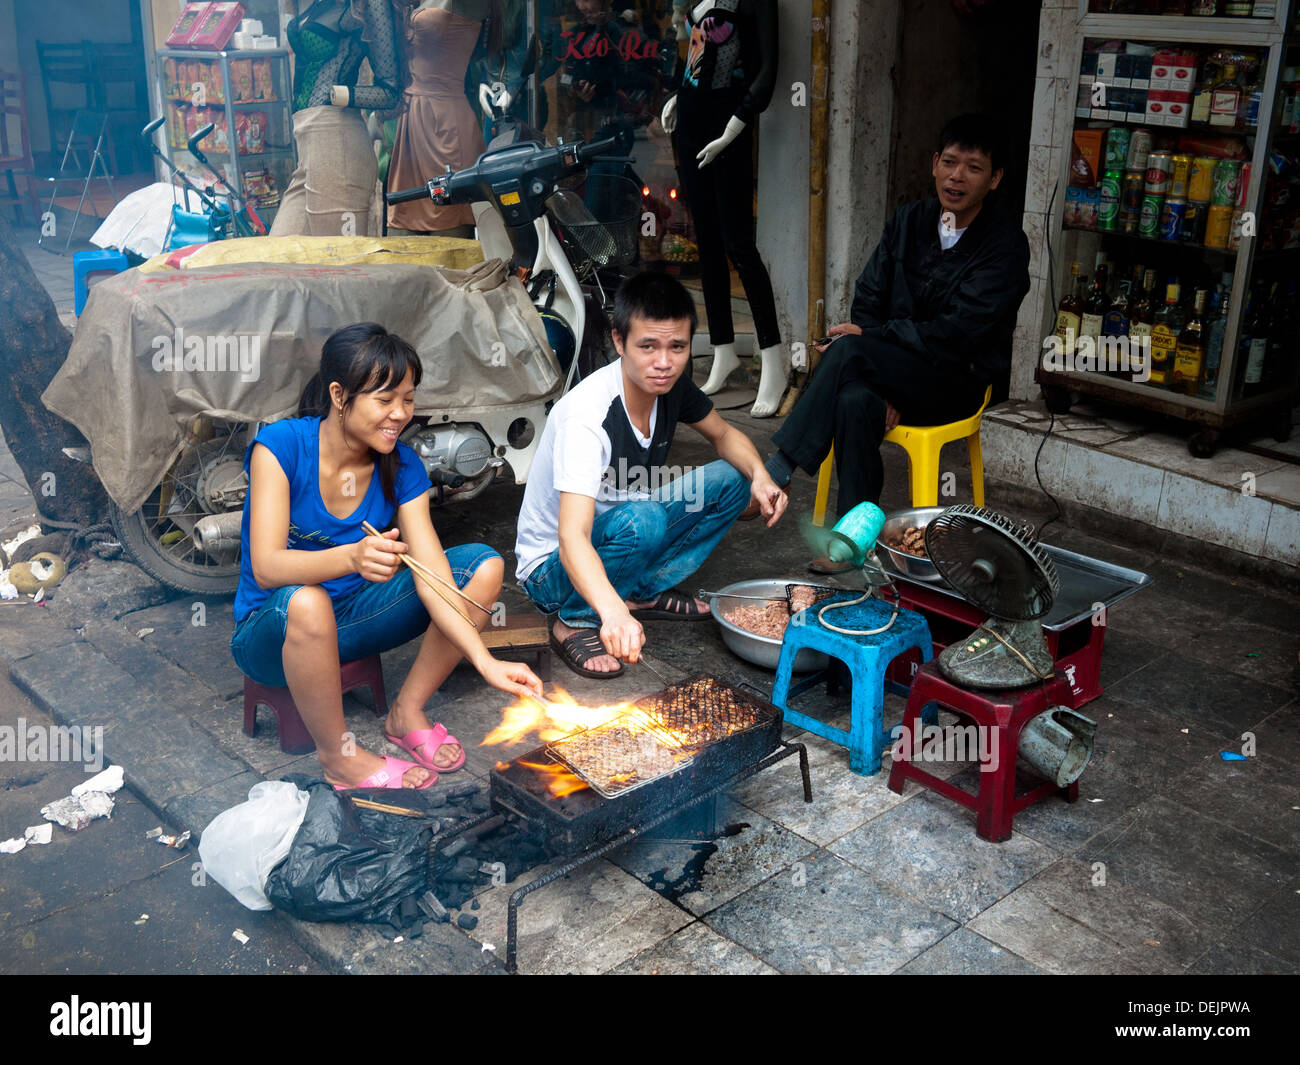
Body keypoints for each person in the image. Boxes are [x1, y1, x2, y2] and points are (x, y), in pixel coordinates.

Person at [231, 323, 542, 791]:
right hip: (271, 632)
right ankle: (340, 758)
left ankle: (407, 712)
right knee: (307, 602)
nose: (400, 414)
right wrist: (352, 558)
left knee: (482, 567)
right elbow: (268, 567)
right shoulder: (281, 448)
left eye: (409, 399)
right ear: (340, 395)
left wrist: (484, 660)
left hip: (352, 624)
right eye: (384, 399)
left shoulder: (402, 464)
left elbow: (433, 573)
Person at [760, 113, 1031, 572]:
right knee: (853, 399)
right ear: (933, 164)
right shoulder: (910, 221)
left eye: (973, 167)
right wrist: (885, 377)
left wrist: (876, 341)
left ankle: (779, 469)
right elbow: (868, 298)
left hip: (952, 382)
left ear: (996, 178)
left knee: (847, 351)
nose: (956, 177)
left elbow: (956, 334)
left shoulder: (1005, 246)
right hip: (888, 372)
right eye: (948, 162)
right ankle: (852, 542)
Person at [515, 270, 788, 678]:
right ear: (619, 341)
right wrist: (610, 614)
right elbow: (571, 537)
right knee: (643, 519)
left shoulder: (669, 386)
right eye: (648, 346)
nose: (664, 363)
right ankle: (574, 619)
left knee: (733, 478)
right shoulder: (588, 417)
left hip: (624, 526)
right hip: (551, 569)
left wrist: (760, 476)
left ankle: (639, 594)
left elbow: (725, 433)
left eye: (677, 347)